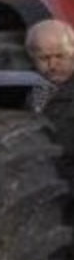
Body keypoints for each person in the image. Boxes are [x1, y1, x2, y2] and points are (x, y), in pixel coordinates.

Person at [27, 18, 74, 186]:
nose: (53, 65)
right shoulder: (29, 91)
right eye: (44, 58)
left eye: (60, 56)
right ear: (33, 58)